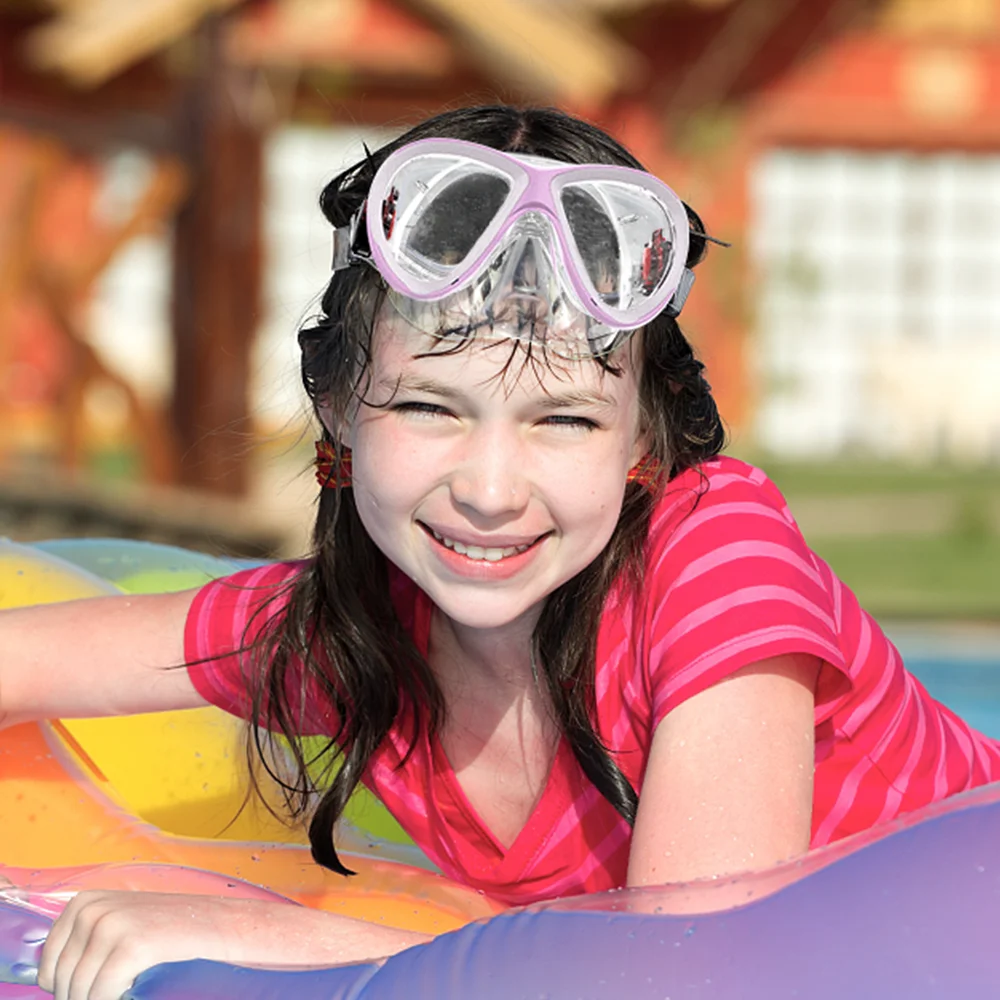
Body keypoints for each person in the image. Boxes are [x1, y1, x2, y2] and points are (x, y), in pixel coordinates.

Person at [2, 104, 998, 1000]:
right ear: (340, 409)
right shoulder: (352, 632)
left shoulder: (715, 558)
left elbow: (692, 976)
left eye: (562, 421)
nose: (487, 490)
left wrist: (286, 938)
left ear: (642, 442)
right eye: (431, 407)